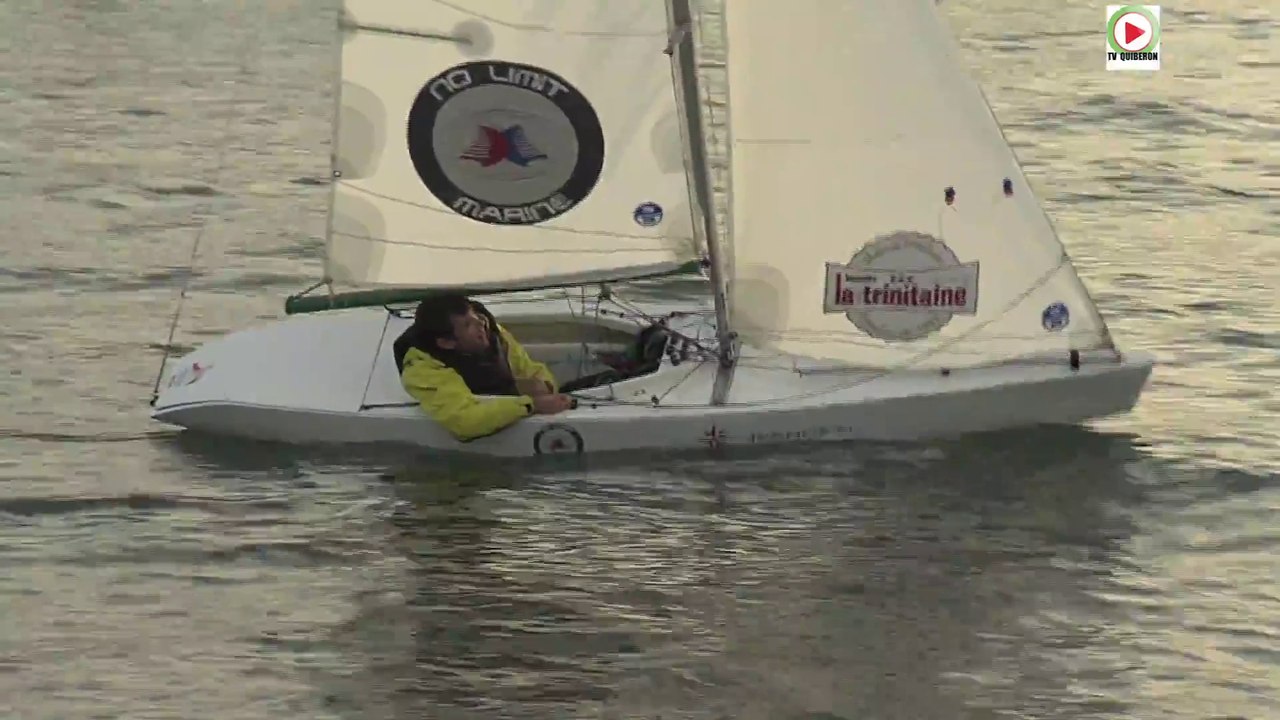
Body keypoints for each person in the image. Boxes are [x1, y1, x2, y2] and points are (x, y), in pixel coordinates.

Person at [393, 294, 574, 442]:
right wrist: (531, 405)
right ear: (447, 343)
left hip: (502, 395)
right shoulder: (422, 369)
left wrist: (545, 387)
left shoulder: (493, 334)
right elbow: (465, 421)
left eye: (475, 316)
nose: (480, 324)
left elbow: (533, 370)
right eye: (468, 325)